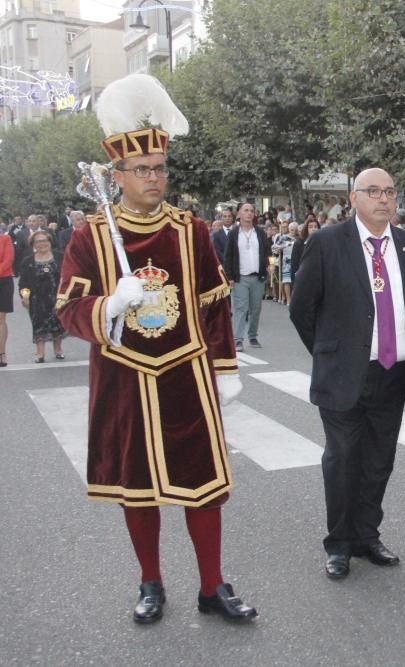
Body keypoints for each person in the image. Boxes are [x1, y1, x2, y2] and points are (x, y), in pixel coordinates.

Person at [55, 73, 254, 623]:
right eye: (141, 170)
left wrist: (225, 369)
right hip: (124, 377)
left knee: (203, 488)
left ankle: (212, 586)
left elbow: (214, 306)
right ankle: (150, 583)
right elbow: (68, 309)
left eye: (160, 168)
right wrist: (109, 305)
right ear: (115, 175)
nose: (153, 178)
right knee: (137, 490)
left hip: (185, 375)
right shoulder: (89, 237)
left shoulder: (189, 230)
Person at [290, 167, 405, 581]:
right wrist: (332, 352)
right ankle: (339, 543)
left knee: (378, 462)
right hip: (344, 375)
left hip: (394, 371)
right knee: (343, 460)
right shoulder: (327, 243)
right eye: (373, 191)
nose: (383, 199)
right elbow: (302, 308)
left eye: (389, 191)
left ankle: (368, 536)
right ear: (354, 198)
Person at [223, 202, 270, 351]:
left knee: (255, 308)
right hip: (240, 277)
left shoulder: (260, 233)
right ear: (239, 214)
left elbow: (268, 252)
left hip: (258, 276)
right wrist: (229, 277)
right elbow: (228, 256)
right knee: (240, 308)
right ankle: (238, 339)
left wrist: (270, 264)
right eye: (246, 210)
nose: (249, 213)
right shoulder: (233, 234)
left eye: (251, 211)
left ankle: (253, 336)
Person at [18, 230, 66, 362]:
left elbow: (68, 276)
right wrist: (25, 296)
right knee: (38, 324)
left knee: (57, 323)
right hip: (37, 299)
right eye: (38, 241)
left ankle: (58, 349)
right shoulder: (28, 261)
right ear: (33, 244)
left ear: (50, 242)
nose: (42, 244)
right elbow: (24, 282)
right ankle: (40, 353)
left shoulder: (60, 256)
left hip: (57, 296)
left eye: (45, 240)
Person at [0, 231, 13, 366]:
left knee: (1, 318)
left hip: (3, 281)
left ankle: (1, 353)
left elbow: (8, 260)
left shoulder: (5, 238)